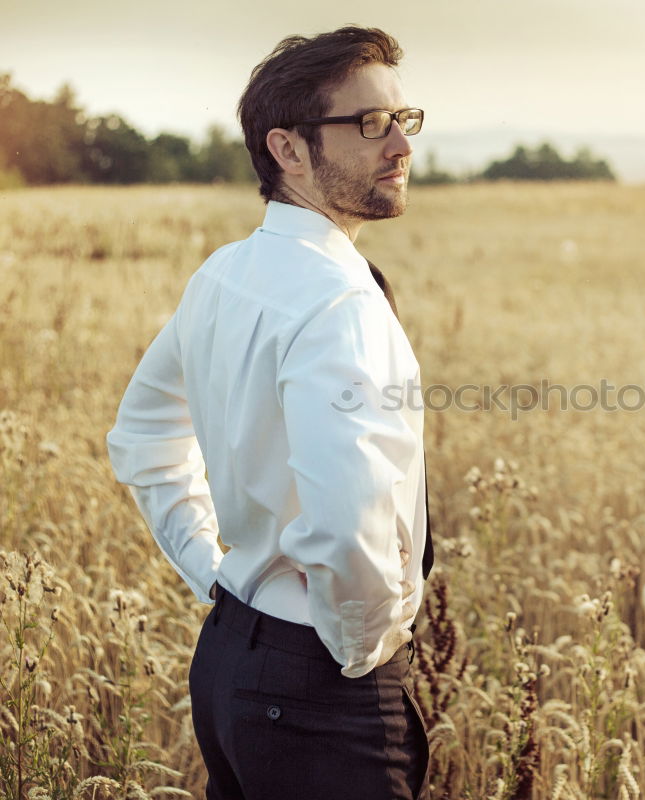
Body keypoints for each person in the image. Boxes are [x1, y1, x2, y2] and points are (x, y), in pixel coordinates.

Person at [106, 26, 433, 800]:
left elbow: (143, 438)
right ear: (286, 150)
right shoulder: (340, 302)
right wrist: (364, 654)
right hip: (319, 682)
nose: (400, 144)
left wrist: (209, 573)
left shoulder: (225, 274)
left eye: (403, 118)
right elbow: (347, 516)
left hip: (230, 658)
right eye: (368, 123)